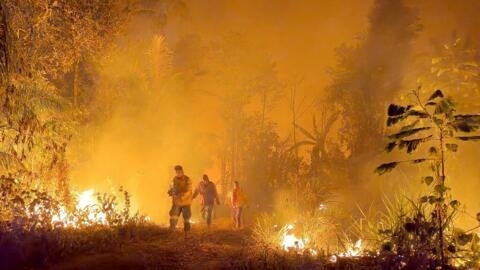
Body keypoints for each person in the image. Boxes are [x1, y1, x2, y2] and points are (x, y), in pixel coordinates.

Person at [168, 165, 193, 233]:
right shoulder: (174, 179)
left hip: (185, 202)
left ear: (182, 171)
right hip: (177, 202)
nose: (177, 173)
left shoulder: (187, 179)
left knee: (186, 218)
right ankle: (172, 230)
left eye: (179, 171)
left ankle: (187, 232)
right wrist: (170, 191)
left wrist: (182, 196)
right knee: (173, 216)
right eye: (176, 172)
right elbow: (172, 187)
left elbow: (188, 190)